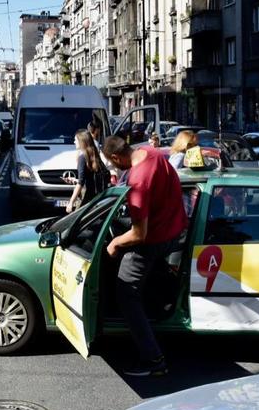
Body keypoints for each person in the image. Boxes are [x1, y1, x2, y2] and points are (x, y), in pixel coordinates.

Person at [102, 136, 187, 377]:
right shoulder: (153, 153)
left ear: (117, 157)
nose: (114, 167)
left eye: (112, 163)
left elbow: (139, 235)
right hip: (176, 230)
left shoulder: (138, 183)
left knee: (125, 292)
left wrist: (115, 243)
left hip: (153, 241)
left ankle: (153, 360)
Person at [65, 129, 110, 213]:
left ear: (81, 141)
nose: (74, 142)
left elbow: (81, 183)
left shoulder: (82, 157)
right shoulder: (95, 156)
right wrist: (75, 180)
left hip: (86, 200)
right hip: (98, 199)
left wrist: (71, 202)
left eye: (75, 140)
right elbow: (91, 177)